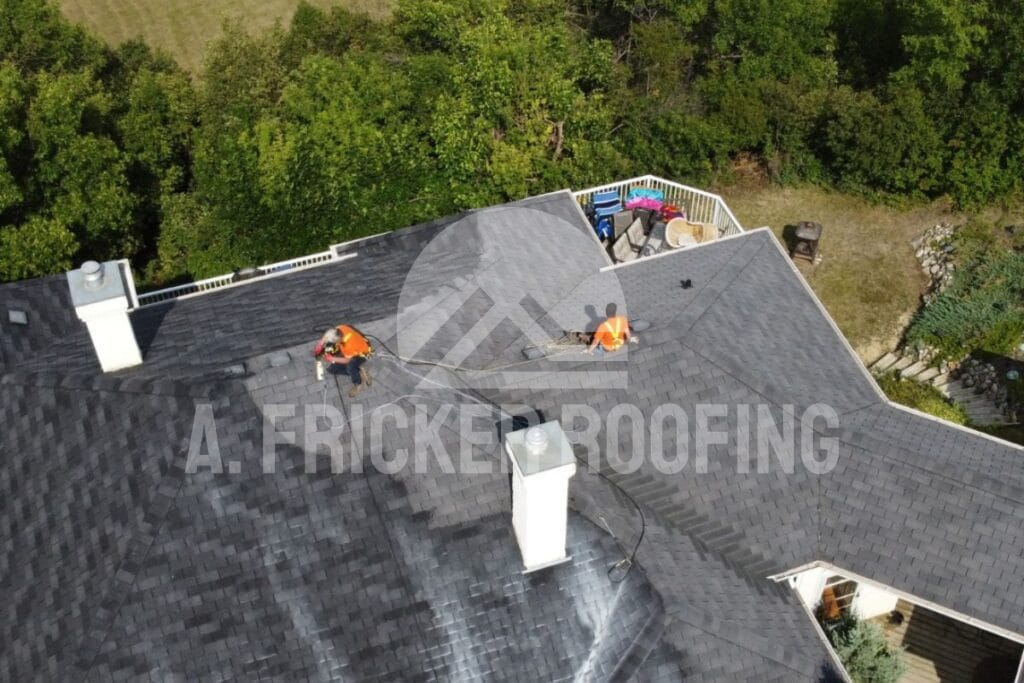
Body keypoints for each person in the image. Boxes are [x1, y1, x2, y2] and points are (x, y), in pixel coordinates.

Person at [315, 325, 373, 397]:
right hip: (349, 351)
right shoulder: (339, 329)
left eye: (334, 343)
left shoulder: (349, 344)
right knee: (332, 370)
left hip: (361, 354)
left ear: (338, 340)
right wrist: (320, 344)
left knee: (350, 367)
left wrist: (332, 359)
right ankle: (360, 371)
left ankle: (358, 383)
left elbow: (347, 360)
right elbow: (328, 334)